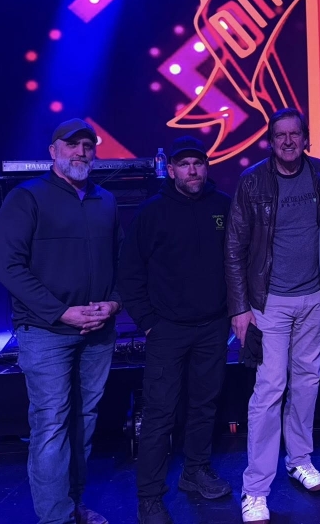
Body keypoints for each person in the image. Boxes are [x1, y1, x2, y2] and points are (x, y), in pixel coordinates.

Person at [0, 119, 122, 524]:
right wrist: (61, 311)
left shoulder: (105, 200)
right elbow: (9, 267)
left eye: (88, 145)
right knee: (51, 425)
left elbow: (122, 263)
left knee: (84, 421)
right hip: (46, 331)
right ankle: (56, 518)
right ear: (53, 152)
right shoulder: (26, 197)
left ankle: (72, 507)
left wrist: (114, 303)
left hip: (97, 331)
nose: (81, 151)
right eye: (72, 145)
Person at [226, 108, 320, 524]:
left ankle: (300, 460)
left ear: (305, 138)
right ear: (270, 141)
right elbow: (234, 247)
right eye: (280, 135)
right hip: (268, 302)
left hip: (314, 298)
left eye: (294, 134)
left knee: (307, 383)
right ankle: (255, 489)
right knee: (269, 391)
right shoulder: (253, 181)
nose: (288, 141)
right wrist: (240, 307)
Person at [118, 136, 233, 524]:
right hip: (167, 329)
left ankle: (195, 471)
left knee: (204, 405)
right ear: (171, 171)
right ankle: (149, 497)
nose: (192, 170)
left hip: (212, 327)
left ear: (206, 167)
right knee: (160, 414)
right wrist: (148, 323)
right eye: (184, 164)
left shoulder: (223, 206)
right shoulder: (151, 213)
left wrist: (231, 314)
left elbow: (237, 260)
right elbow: (129, 272)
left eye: (198, 163)